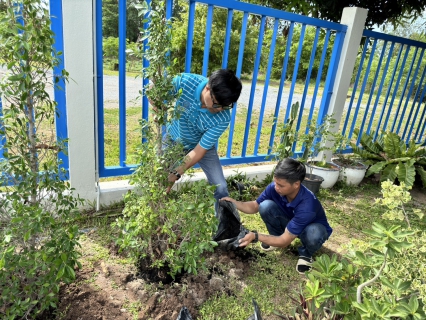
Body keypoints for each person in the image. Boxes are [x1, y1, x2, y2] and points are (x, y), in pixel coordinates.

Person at [220, 158, 332, 274]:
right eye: (275, 182)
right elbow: (254, 206)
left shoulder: (307, 205)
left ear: (296, 184)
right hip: (291, 222)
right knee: (265, 206)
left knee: (314, 233)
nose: (276, 187)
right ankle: (274, 237)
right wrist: (235, 203)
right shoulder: (275, 188)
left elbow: (285, 241)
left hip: (309, 229)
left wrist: (256, 236)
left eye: (281, 185)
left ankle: (306, 254)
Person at [162, 69, 242, 211]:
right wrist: (156, 102)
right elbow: (158, 91)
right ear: (207, 88)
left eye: (226, 106)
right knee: (159, 180)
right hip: (173, 139)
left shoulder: (223, 118)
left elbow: (199, 151)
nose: (220, 110)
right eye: (217, 104)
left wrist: (175, 173)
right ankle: (156, 215)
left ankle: (227, 226)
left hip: (201, 146)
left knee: (221, 187)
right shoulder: (185, 82)